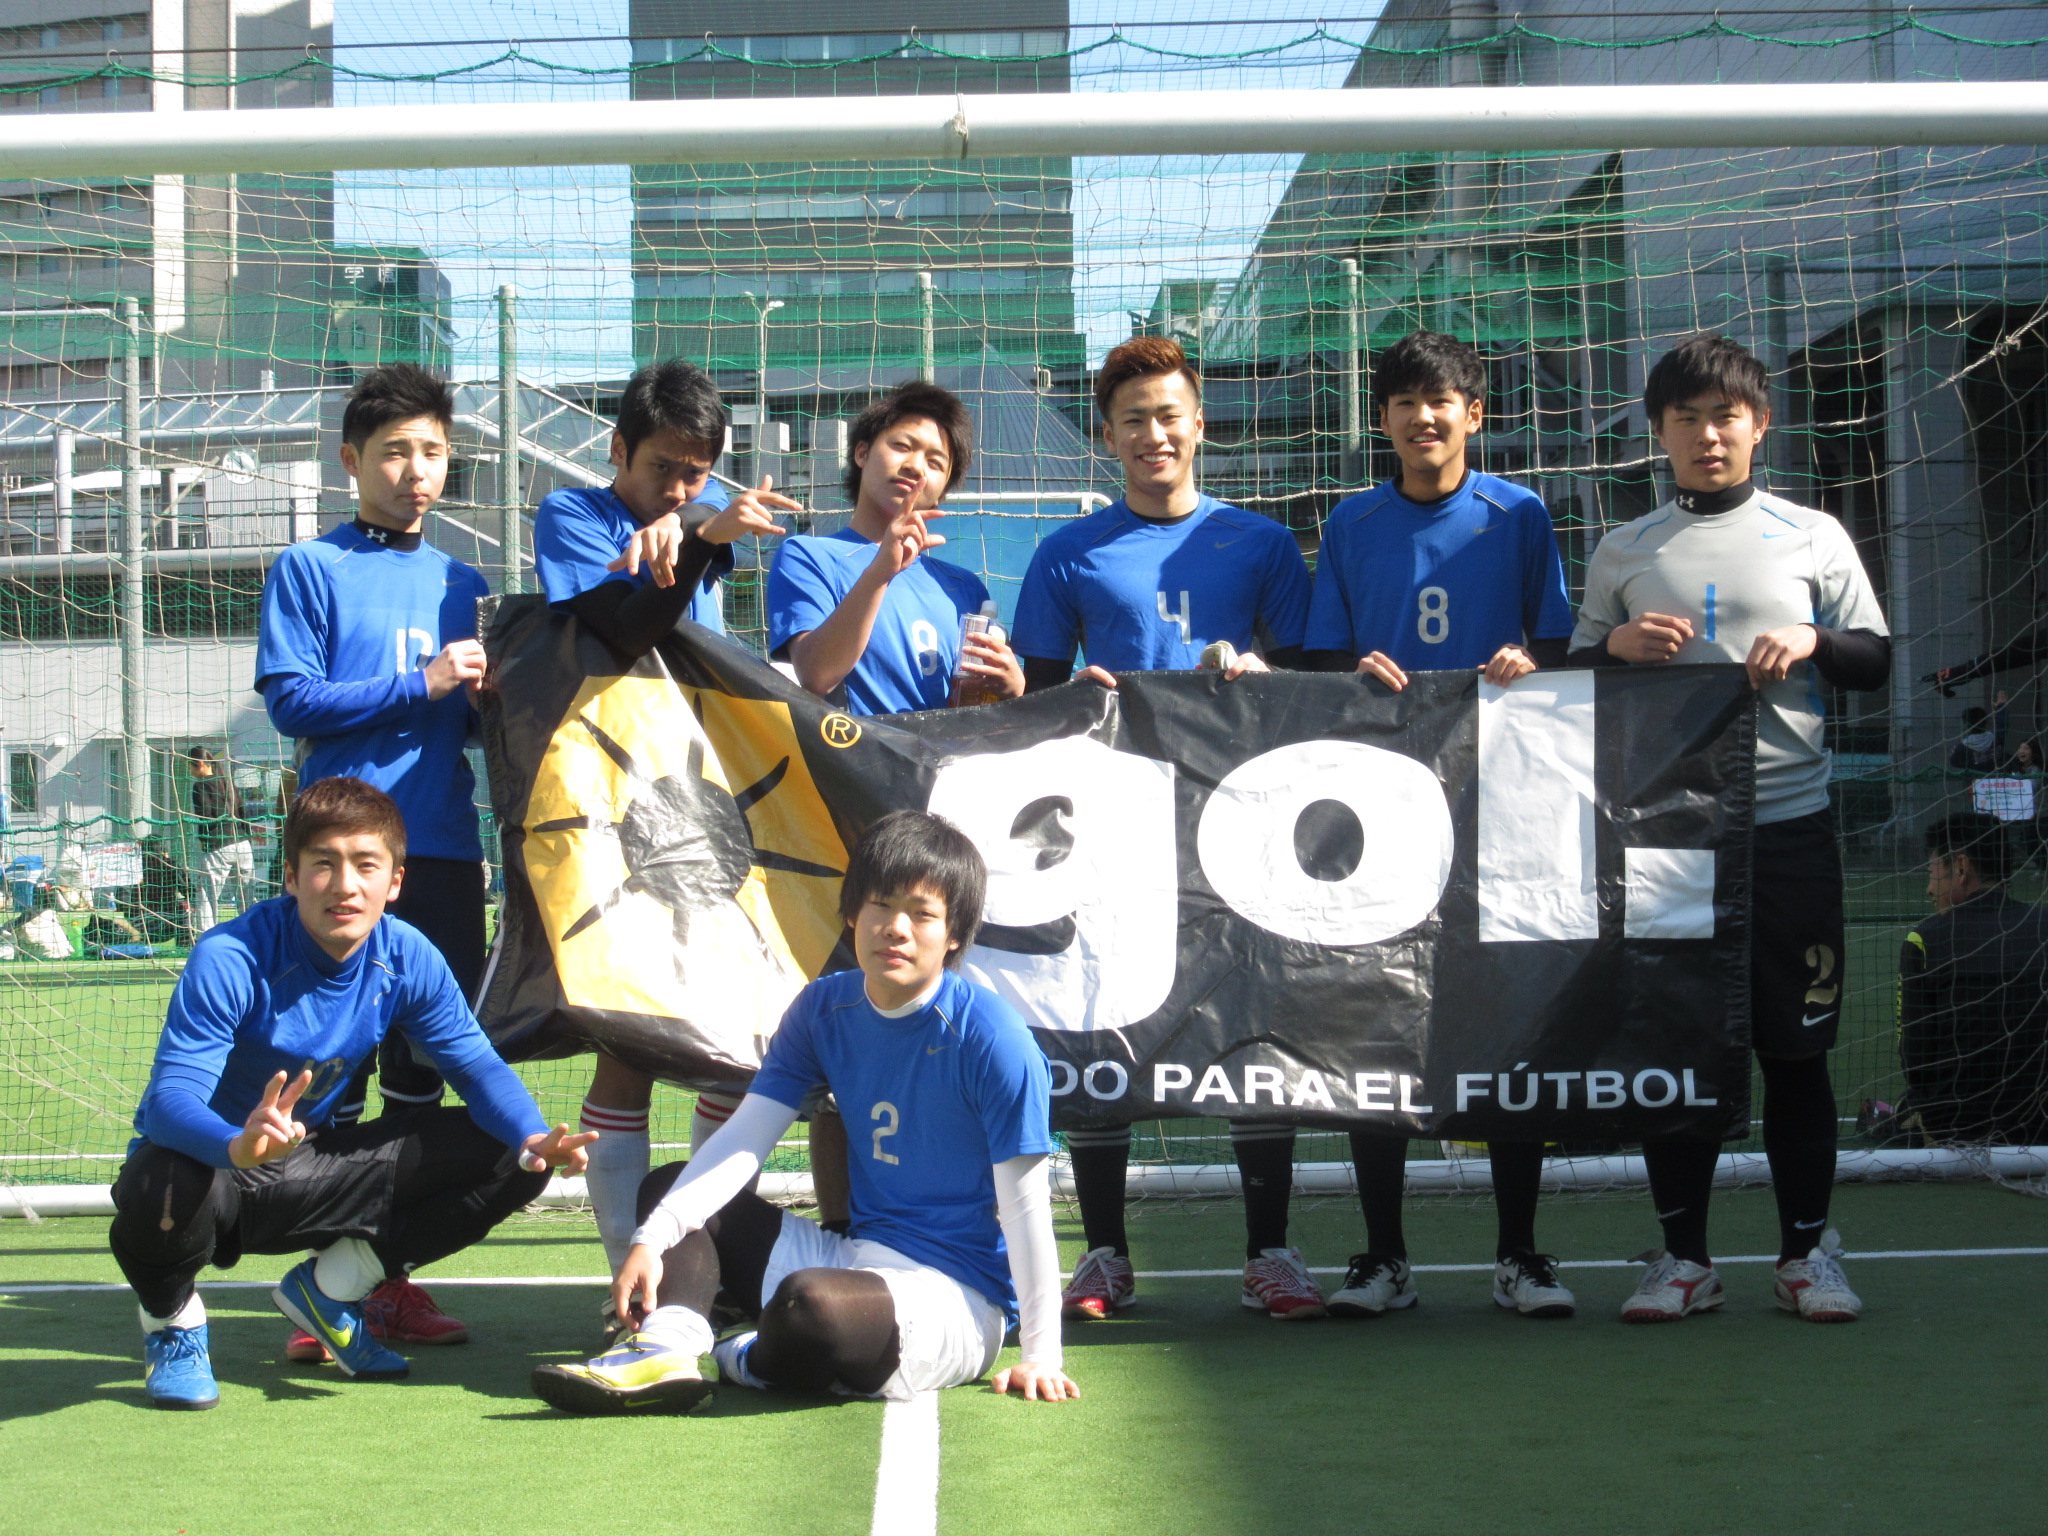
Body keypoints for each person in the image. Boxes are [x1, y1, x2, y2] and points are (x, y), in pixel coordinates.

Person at [531, 811, 1075, 1414]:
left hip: (956, 1295)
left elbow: (1026, 1209)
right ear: (852, 913)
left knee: (813, 1308)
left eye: (922, 914)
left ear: (953, 935)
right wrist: (652, 1236)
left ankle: (740, 1359)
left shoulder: (993, 1038)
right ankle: (666, 1349)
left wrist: (1041, 1354)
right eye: (880, 905)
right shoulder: (822, 1008)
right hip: (852, 1257)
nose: (896, 929)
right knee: (670, 1190)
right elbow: (744, 1139)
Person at [1567, 331, 1891, 1324]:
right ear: (1658, 432)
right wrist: (1616, 649)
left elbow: (1875, 659)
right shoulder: (1625, 549)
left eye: (1725, 417)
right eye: (1687, 419)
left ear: (1759, 425)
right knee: (1679, 1050)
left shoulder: (1811, 535)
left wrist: (1814, 639)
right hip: (1669, 842)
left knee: (1796, 1051)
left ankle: (1803, 1258)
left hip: (1788, 832)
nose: (1708, 436)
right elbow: (1568, 683)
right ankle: (1683, 1260)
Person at [1009, 335, 1320, 1322]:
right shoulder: (1068, 552)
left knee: (1251, 1026)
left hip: (1240, 824)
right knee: (1102, 1019)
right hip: (1114, 824)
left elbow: (1315, 687)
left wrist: (1264, 676)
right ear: (1108, 437)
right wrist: (1078, 690)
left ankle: (1269, 1252)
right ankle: (1104, 1253)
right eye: (1133, 419)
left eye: (1168, 414)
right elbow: (1033, 699)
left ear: (1198, 424)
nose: (1154, 433)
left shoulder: (1261, 544)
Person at [110, 776, 594, 1410]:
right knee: (158, 1184)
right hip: (210, 1170)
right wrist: (236, 1144)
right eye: (324, 864)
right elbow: (170, 1101)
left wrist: (532, 1136)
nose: (345, 885)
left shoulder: (405, 954)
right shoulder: (229, 956)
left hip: (303, 1168)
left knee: (511, 1156)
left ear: (394, 882)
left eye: (366, 865)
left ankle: (331, 1291)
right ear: (291, 877)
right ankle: (173, 1324)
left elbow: (476, 1066)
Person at [1300, 330, 1578, 1321]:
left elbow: (1557, 647)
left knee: (1505, 1024)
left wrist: (1526, 664)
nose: (1424, 416)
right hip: (1377, 808)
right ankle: (1383, 1257)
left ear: (1474, 414)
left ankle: (1520, 1255)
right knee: (1372, 1027)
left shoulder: (1519, 514)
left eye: (1442, 399)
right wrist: (1354, 673)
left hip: (1500, 802)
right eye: (1405, 401)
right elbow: (1320, 660)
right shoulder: (1350, 523)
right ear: (1382, 419)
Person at [532, 358, 798, 1295]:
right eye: (662, 469)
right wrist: (697, 535)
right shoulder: (571, 517)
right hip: (614, 817)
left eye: (697, 472)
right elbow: (621, 626)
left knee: (734, 1045)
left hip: (710, 808)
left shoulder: (707, 528)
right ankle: (628, 1283)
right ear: (618, 450)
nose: (680, 487)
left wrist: (696, 533)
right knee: (630, 1047)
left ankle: (702, 1270)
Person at [254, 363, 493, 1354]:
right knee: (334, 1072)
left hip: (442, 852)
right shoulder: (309, 568)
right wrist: (421, 682)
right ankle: (317, 1273)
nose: (414, 470)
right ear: (351, 462)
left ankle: (373, 1281)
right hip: (342, 866)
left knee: (423, 1072)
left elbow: (466, 723)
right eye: (394, 452)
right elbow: (291, 700)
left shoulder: (464, 583)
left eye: (432, 451)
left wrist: (483, 703)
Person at [767, 379, 1023, 717]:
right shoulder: (807, 556)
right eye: (902, 445)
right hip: (859, 750)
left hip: (947, 751)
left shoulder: (965, 587)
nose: (916, 466)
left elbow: (977, 705)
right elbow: (816, 675)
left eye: (935, 463)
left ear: (943, 490)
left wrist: (1013, 688)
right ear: (862, 453)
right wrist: (880, 572)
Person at [1897, 812, 2048, 1145]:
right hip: (2039, 1123)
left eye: (1932, 873)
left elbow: (1914, 1057)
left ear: (1961, 867)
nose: (1929, 888)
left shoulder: (1926, 939)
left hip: (1954, 1127)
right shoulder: (2043, 925)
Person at [186, 747, 253, 934]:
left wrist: (203, 840)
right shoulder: (227, 781)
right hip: (242, 844)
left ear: (200, 764)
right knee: (246, 896)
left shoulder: (200, 786)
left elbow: (205, 816)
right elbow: (243, 811)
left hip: (219, 845)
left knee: (207, 896)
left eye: (190, 766)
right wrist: (246, 836)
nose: (190, 771)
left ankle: (205, 936)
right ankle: (252, 935)